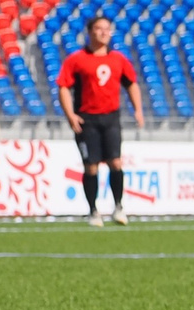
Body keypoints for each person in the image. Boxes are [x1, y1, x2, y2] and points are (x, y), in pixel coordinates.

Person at [57, 14, 146, 225]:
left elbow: (131, 83)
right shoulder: (77, 59)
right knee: (91, 166)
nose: (104, 32)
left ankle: (118, 207)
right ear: (90, 32)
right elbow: (63, 86)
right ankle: (93, 211)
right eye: (99, 28)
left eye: (108, 28)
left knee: (116, 162)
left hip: (111, 118)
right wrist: (70, 114)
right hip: (87, 120)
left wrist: (138, 109)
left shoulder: (118, 59)